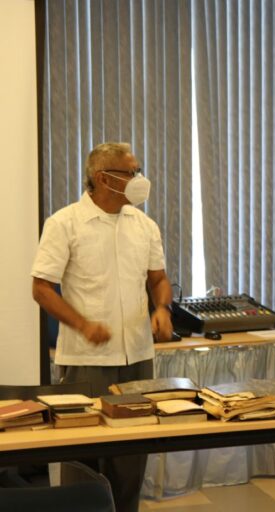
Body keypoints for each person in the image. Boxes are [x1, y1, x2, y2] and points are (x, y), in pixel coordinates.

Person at [31, 142, 173, 512]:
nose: (140, 179)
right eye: (131, 172)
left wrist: (162, 308)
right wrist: (82, 325)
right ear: (103, 178)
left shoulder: (145, 225)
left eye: (138, 170)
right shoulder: (64, 223)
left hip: (137, 357)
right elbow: (41, 288)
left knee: (131, 459)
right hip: (86, 359)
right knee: (84, 460)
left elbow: (158, 279)